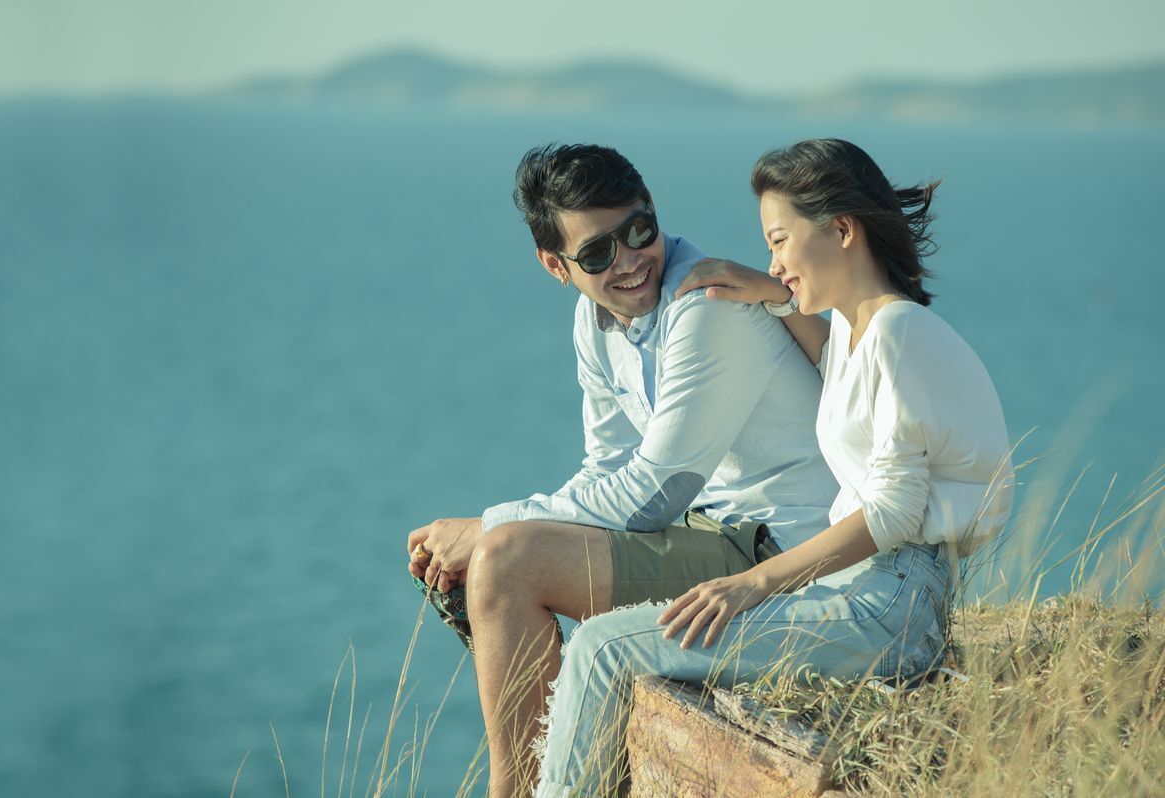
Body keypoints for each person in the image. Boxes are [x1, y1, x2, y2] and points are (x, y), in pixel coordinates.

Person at [533, 138, 1015, 797]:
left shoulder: (899, 334)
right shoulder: (864, 332)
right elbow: (841, 370)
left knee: (603, 648)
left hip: (890, 608)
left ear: (841, 230)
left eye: (780, 241)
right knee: (608, 641)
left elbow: (894, 514)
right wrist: (775, 296)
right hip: (862, 592)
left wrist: (754, 583)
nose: (774, 262)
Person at [405, 143, 837, 796]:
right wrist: (504, 530)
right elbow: (604, 467)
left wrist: (490, 527)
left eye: (639, 231)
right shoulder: (596, 318)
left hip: (785, 557)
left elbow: (655, 494)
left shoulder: (705, 305)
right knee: (508, 553)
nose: (630, 261)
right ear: (555, 265)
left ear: (654, 210)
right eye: (598, 253)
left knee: (507, 562)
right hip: (717, 534)